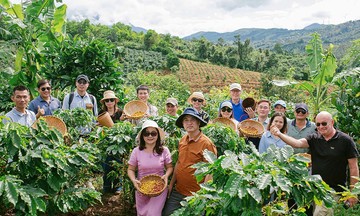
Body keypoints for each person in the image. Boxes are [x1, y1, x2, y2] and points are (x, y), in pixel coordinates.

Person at [270, 111, 359, 215]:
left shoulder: (345, 140)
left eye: (324, 123)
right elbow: (297, 143)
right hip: (315, 189)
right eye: (318, 124)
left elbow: (353, 167)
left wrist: (353, 193)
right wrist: (279, 134)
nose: (321, 126)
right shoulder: (314, 138)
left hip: (333, 190)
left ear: (332, 122)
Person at [162, 107, 217, 216]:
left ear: (198, 123)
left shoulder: (206, 143)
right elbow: (179, 163)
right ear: (182, 124)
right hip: (178, 191)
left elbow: (211, 171)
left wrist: (202, 196)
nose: (189, 123)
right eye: (186, 120)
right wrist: (171, 184)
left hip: (195, 194)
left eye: (192, 120)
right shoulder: (183, 140)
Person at [127, 120, 173, 216]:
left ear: (158, 135)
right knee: (142, 213)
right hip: (141, 188)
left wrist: (166, 175)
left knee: (154, 213)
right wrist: (134, 180)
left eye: (153, 133)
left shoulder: (164, 150)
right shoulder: (136, 151)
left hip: (159, 187)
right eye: (146, 134)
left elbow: (169, 167)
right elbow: (131, 169)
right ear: (142, 136)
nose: (150, 136)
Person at [99, 90, 124, 194]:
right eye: (107, 101)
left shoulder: (120, 112)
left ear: (115, 101)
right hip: (106, 142)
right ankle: (107, 187)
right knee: (107, 165)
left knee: (118, 164)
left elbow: (123, 128)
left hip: (118, 143)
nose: (109, 102)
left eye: (111, 100)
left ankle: (118, 186)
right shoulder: (102, 113)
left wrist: (121, 121)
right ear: (104, 103)